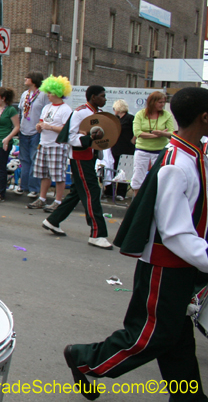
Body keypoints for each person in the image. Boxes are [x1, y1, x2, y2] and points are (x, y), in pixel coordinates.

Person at [63, 86, 208, 402]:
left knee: (176, 339)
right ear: (205, 117)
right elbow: (175, 233)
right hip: (165, 267)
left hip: (180, 267)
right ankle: (85, 358)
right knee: (149, 336)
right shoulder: (177, 164)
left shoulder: (190, 155)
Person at [41, 85, 112, 249]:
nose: (105, 99)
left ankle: (53, 221)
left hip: (90, 157)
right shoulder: (80, 112)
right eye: (102, 96)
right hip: (80, 157)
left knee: (77, 193)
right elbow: (70, 136)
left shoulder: (96, 113)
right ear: (93, 97)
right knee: (92, 192)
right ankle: (97, 234)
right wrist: (87, 139)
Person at [27, 76, 73, 211]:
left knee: (58, 175)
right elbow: (42, 122)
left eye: (50, 92)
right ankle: (42, 198)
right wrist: (39, 126)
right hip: (44, 144)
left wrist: (50, 127)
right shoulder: (47, 107)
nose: (48, 95)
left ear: (58, 93)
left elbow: (67, 129)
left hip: (57, 146)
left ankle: (58, 201)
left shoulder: (66, 109)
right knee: (44, 174)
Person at [131, 91, 174, 195]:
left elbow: (172, 133)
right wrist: (156, 135)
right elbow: (137, 132)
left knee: (159, 177)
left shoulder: (166, 115)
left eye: (164, 102)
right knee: (138, 177)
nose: (162, 104)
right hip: (142, 150)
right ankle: (137, 201)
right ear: (152, 102)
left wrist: (162, 134)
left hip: (160, 151)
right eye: (160, 102)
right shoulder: (140, 114)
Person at [17, 71, 48, 197]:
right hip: (24, 130)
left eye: (28, 77)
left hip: (36, 131)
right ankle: (22, 185)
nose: (25, 78)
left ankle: (34, 188)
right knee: (24, 159)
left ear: (34, 80)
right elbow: (20, 111)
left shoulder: (43, 95)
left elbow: (46, 112)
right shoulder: (25, 94)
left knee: (34, 159)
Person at [104, 99, 134, 200]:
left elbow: (135, 132)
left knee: (124, 172)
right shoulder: (115, 119)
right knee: (112, 169)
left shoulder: (130, 119)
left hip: (127, 148)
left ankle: (121, 193)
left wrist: (133, 141)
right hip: (115, 148)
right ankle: (109, 191)